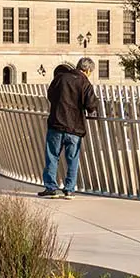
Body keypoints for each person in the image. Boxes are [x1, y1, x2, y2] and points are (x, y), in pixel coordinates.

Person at [39, 56, 98, 199]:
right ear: (88, 70)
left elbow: (51, 95)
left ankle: (50, 187)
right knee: (72, 159)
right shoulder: (85, 83)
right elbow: (91, 105)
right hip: (75, 127)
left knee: (52, 156)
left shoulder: (60, 78)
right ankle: (69, 189)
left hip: (56, 124)